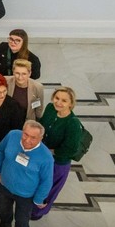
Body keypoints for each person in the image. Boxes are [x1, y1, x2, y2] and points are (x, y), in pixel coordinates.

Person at [32, 87, 84, 220]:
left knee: (48, 189)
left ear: (71, 104)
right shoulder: (50, 108)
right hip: (42, 156)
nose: (59, 103)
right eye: (57, 98)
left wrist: (49, 151)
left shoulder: (73, 123)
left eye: (64, 101)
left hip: (58, 163)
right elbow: (42, 125)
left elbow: (70, 149)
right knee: (36, 182)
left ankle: (37, 212)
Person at [0, 121, 55, 227]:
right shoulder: (12, 135)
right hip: (4, 186)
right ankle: (5, 225)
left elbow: (46, 181)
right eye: (25, 134)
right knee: (3, 210)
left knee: (22, 221)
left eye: (33, 138)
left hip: (26, 196)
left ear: (40, 138)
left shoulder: (46, 157)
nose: (27, 140)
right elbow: (0, 150)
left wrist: (39, 199)